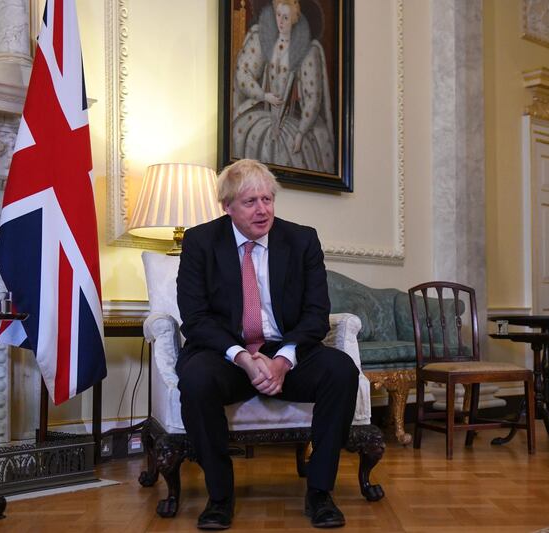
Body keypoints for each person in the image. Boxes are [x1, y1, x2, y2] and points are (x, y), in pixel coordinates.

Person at [176, 158, 358, 529]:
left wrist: (284, 360)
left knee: (341, 371)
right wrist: (242, 357)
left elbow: (316, 313)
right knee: (196, 380)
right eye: (250, 202)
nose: (263, 210)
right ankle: (220, 497)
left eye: (267, 199)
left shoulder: (302, 239)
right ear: (227, 207)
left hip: (285, 350)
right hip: (225, 354)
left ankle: (320, 492)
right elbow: (195, 318)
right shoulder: (200, 242)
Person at [231, 0, 335, 173]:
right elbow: (244, 72)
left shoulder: (308, 51)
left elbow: (313, 98)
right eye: (278, 15)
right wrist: (263, 95)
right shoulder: (262, 38)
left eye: (285, 17)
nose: (280, 21)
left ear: (295, 19)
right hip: (263, 117)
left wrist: (301, 132)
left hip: (291, 123)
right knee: (243, 137)